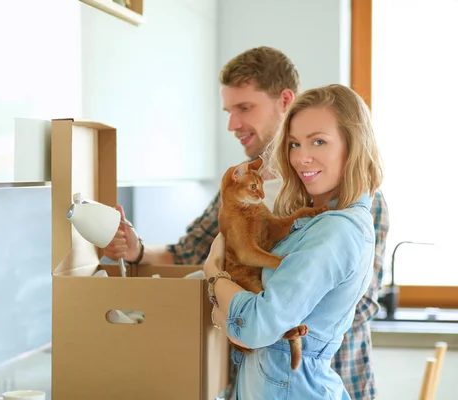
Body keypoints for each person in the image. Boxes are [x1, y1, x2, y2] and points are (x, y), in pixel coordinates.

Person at [103, 47, 389, 400]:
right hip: (254, 376)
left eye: (244, 108)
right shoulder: (241, 185)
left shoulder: (344, 204)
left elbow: (357, 303)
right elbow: (192, 252)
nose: (232, 124)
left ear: (284, 100)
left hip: (327, 376)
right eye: (229, 111)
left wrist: (248, 314)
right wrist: (137, 250)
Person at [204, 83, 383, 399]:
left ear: (352, 145)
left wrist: (213, 274)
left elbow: (256, 327)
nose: (302, 158)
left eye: (318, 141)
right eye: (294, 144)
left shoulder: (337, 231)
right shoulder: (320, 221)